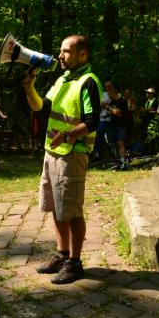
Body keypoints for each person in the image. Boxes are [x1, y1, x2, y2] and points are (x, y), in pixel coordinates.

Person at [22, 34, 101, 284]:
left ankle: (75, 263)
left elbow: (92, 121)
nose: (60, 55)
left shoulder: (89, 82)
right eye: (60, 50)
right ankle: (62, 254)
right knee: (56, 206)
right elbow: (41, 108)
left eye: (66, 51)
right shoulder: (62, 80)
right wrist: (29, 88)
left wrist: (67, 136)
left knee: (73, 210)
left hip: (73, 154)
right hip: (52, 152)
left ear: (83, 54)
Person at [106, 88, 128, 160]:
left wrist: (108, 107)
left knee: (120, 143)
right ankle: (116, 159)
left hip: (120, 126)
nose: (109, 96)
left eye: (109, 94)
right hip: (113, 125)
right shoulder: (112, 102)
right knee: (113, 143)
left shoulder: (122, 101)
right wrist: (114, 111)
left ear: (114, 93)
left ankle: (122, 160)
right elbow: (110, 112)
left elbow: (116, 112)